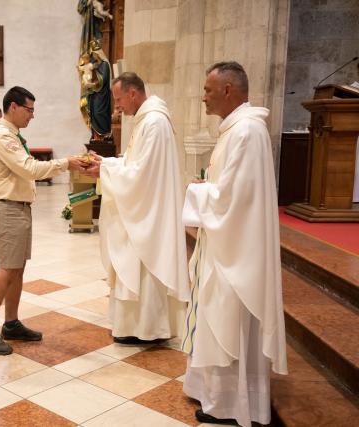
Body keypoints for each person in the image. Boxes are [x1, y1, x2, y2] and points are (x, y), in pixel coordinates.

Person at [180, 61, 287, 426]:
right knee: (216, 319)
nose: (202, 97)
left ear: (228, 90)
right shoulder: (236, 131)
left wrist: (198, 191)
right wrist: (208, 187)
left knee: (229, 322)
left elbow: (233, 198)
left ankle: (231, 405)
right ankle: (215, 397)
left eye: (208, 90)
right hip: (226, 242)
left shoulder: (247, 133)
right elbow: (229, 189)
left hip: (238, 251)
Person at [0, 86, 87, 355]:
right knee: (6, 270)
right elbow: (30, 169)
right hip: (8, 209)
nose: (32, 115)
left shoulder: (13, 135)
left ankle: (10, 324)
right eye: (29, 109)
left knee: (17, 269)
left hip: (19, 209)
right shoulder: (3, 137)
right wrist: (66, 163)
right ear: (13, 107)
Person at [83, 72, 189, 344]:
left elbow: (142, 175)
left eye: (119, 99)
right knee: (134, 265)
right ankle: (134, 327)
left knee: (143, 263)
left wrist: (105, 169)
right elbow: (133, 163)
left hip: (148, 212)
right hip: (144, 206)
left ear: (133, 93)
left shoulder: (154, 122)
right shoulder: (145, 120)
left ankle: (148, 329)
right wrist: (105, 165)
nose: (117, 107)